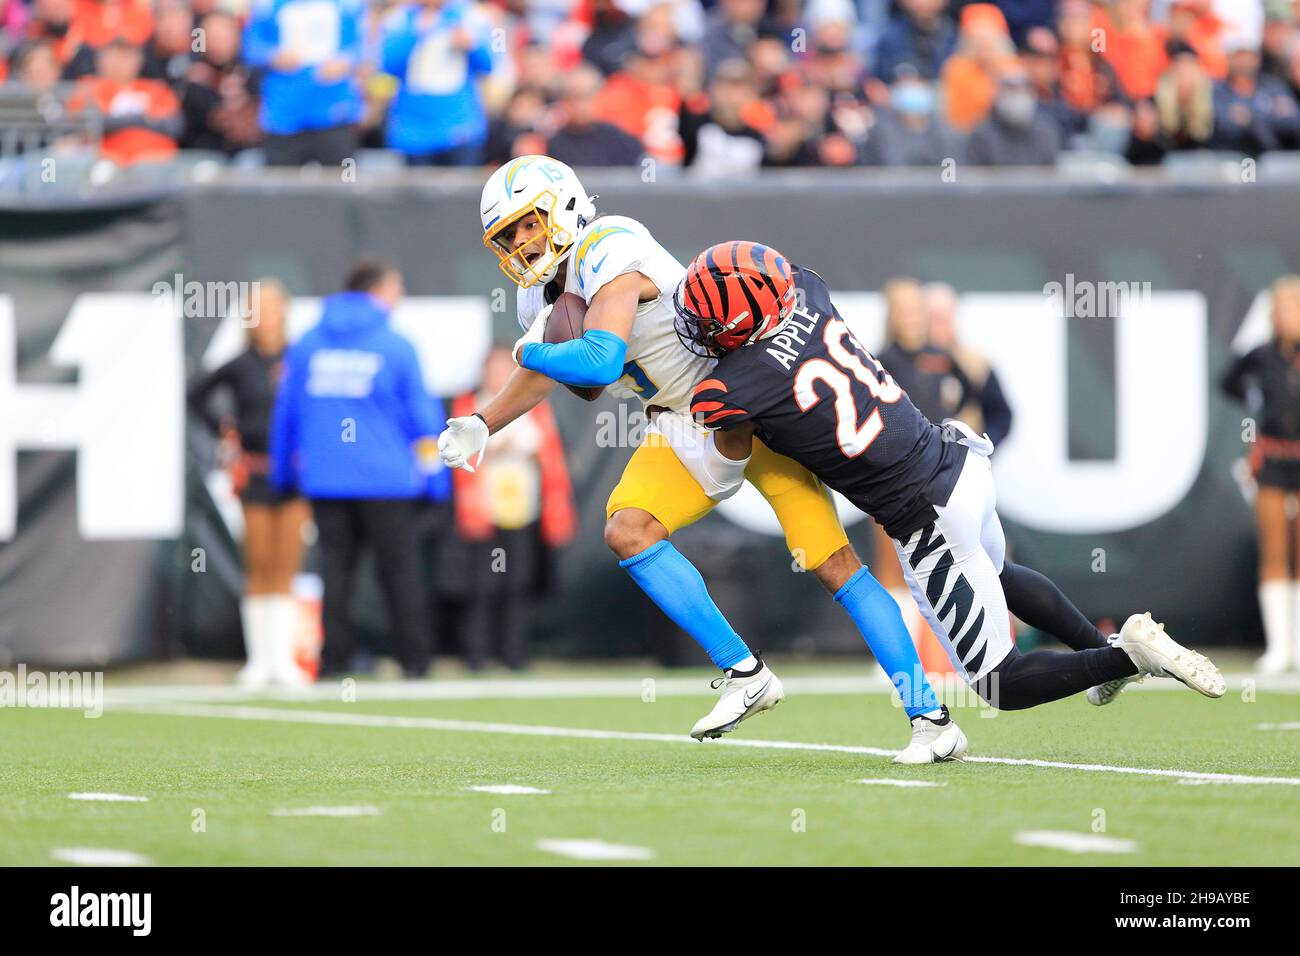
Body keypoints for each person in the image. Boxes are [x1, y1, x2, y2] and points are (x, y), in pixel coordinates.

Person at [438, 155, 967, 763]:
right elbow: (558, 374)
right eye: (508, 236)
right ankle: (746, 673)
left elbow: (600, 360)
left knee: (831, 562)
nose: (521, 243)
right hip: (679, 423)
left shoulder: (612, 242)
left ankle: (931, 719)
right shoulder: (539, 300)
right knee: (628, 529)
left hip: (747, 403)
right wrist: (485, 421)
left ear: (562, 204)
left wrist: (530, 355)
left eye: (527, 224)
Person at [678, 240, 1226, 711]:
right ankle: (1106, 653)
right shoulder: (811, 295)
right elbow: (789, 282)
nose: (696, 325)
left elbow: (727, 467)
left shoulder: (733, 388)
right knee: (998, 572)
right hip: (959, 462)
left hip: (925, 511)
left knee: (998, 684)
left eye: (705, 317)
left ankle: (1125, 654)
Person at [269, 259, 444, 678]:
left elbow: (286, 415)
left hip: (326, 480)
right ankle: (415, 662)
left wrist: (282, 475)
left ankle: (334, 662)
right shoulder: (397, 346)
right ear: (378, 291)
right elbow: (422, 418)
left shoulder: (308, 344)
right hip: (389, 482)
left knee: (336, 573)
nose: (399, 296)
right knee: (399, 572)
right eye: (397, 287)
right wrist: (438, 480)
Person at [189, 279, 309, 688]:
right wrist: (223, 430)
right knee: (258, 564)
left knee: (287, 566)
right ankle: (260, 660)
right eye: (255, 308)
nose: (263, 316)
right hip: (255, 471)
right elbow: (196, 394)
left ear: (284, 313)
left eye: (271, 307)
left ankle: (286, 661)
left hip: (294, 472)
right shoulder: (239, 364)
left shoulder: (300, 358)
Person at [450, 346, 577, 671]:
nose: (499, 375)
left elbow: (547, 454)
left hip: (523, 511)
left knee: (517, 583)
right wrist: (491, 450)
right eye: (493, 368)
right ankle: (476, 656)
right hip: (483, 511)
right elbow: (456, 455)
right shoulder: (468, 407)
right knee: (481, 584)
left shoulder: (532, 408)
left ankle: (515, 656)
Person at [1221, 275, 1300, 673]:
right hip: (1273, 458)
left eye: (1295, 307)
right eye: (1282, 308)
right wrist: (1255, 398)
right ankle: (1279, 648)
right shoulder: (1263, 354)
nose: (1289, 315)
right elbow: (1229, 379)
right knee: (1274, 549)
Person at [242, 0, 364, 166]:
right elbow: (250, 46)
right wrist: (272, 55)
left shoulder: (348, 5)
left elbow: (365, 45)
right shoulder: (267, 5)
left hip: (334, 112)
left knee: (342, 183)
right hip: (283, 115)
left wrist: (346, 61)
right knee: (281, 185)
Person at [380, 0, 494, 166]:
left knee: (461, 190)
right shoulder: (401, 18)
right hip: (414, 130)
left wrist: (472, 45)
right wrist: (416, 34)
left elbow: (489, 65)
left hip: (460, 126)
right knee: (419, 190)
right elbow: (388, 65)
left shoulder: (471, 15)